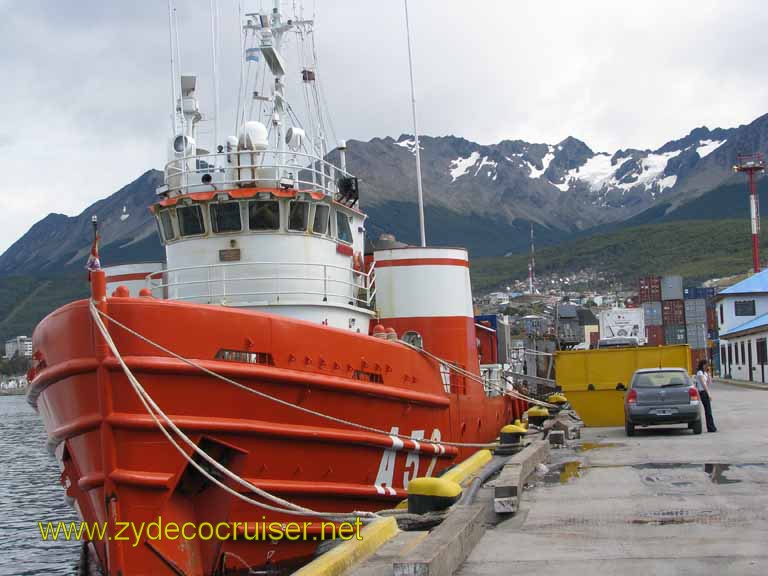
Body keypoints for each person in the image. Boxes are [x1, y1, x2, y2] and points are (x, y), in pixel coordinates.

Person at [695, 359, 717, 433]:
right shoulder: (699, 373)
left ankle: (711, 427)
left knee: (708, 411)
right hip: (702, 392)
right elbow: (703, 384)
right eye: (706, 365)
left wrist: (709, 373)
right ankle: (711, 427)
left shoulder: (705, 373)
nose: (707, 366)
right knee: (707, 410)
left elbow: (709, 382)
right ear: (703, 365)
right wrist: (709, 394)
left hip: (705, 392)